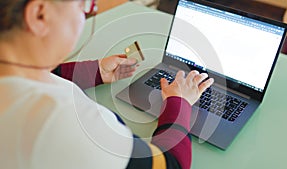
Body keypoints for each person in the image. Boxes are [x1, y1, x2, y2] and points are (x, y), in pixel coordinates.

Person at [0, 0, 214, 169]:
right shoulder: (60, 120)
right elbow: (172, 165)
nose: (86, 14)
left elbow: (41, 76)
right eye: (82, 5)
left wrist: (94, 72)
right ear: (39, 15)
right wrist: (180, 102)